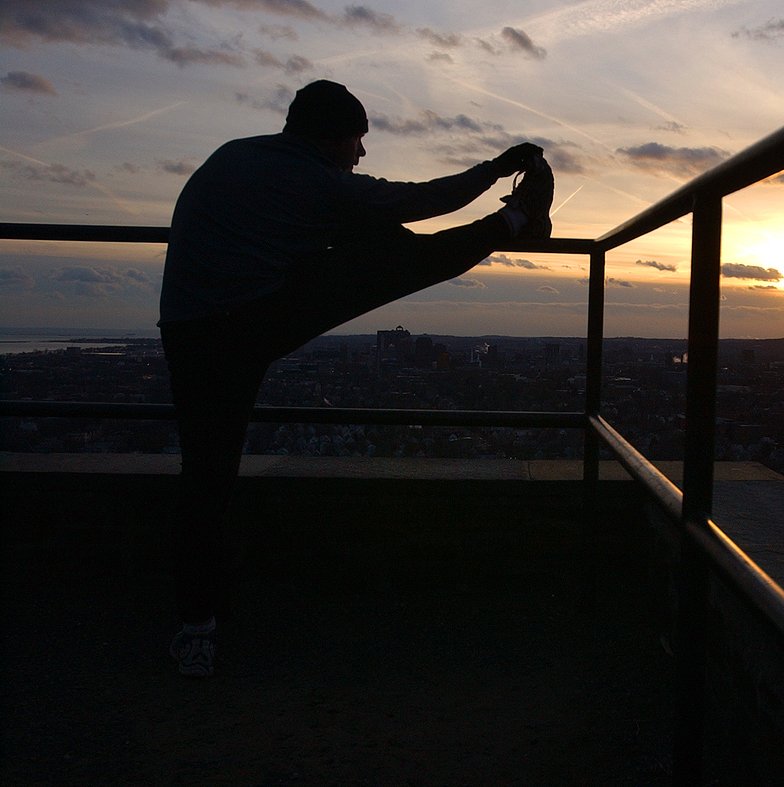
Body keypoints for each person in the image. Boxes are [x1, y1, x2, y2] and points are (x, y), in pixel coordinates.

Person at [159, 79, 554, 677]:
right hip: (247, 319)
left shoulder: (237, 154)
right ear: (330, 139)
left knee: (206, 474)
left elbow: (379, 208)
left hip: (189, 330)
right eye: (357, 142)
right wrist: (496, 171)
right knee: (398, 256)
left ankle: (198, 622)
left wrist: (488, 173)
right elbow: (417, 200)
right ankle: (514, 224)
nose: (360, 155)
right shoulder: (313, 179)